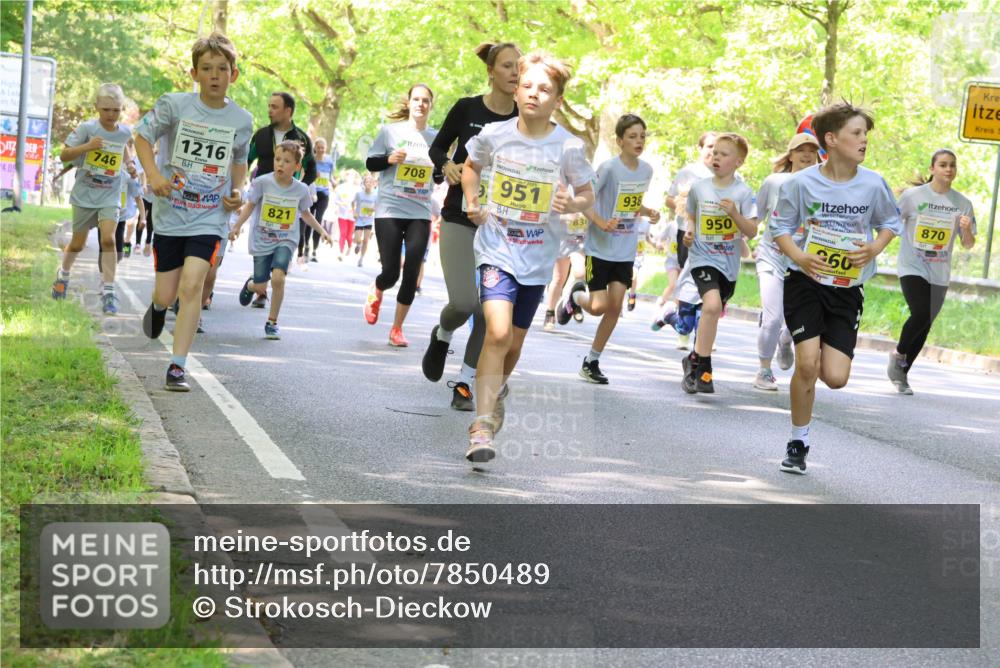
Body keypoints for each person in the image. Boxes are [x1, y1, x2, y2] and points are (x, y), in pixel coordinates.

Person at [462, 52, 595, 463]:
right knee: (497, 333)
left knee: (515, 342)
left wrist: (570, 202)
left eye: (546, 89)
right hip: (497, 248)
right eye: (528, 85)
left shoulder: (568, 147)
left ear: (557, 100)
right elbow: (470, 166)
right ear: (516, 90)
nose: (535, 94)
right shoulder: (494, 134)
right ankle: (481, 426)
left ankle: (496, 388)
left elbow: (588, 195)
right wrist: (472, 199)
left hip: (538, 259)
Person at [771, 102, 901, 474]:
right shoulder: (801, 182)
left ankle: (797, 340)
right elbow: (778, 227)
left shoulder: (873, 183)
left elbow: (890, 222)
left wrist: (875, 247)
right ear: (832, 138)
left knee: (836, 378)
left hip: (847, 287)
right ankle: (798, 440)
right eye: (857, 133)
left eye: (865, 135)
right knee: (807, 364)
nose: (864, 141)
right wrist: (800, 257)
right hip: (805, 280)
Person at [135, 32, 254, 391]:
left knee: (192, 286)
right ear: (194, 73)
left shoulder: (242, 119)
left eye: (222, 68)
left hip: (210, 216)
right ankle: (157, 308)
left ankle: (177, 365)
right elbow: (141, 137)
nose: (215, 75)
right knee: (167, 293)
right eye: (207, 68)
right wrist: (154, 174)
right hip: (171, 212)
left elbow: (239, 161)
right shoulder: (174, 105)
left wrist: (237, 191)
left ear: (233, 75)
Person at [420, 42, 521, 411]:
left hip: (500, 228)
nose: (515, 73)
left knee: (489, 312)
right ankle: (443, 333)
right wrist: (446, 165)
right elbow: (438, 148)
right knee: (464, 303)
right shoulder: (467, 108)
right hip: (459, 218)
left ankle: (463, 382)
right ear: (491, 71)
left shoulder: (523, 119)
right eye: (508, 66)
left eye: (519, 67)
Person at [557, 113, 659, 384]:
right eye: (632, 136)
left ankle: (592, 361)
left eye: (642, 136)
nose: (639, 141)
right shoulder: (609, 168)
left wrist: (648, 211)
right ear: (620, 141)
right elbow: (585, 199)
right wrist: (601, 222)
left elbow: (630, 203)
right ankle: (574, 298)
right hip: (599, 248)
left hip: (625, 250)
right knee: (599, 306)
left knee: (615, 307)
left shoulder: (647, 170)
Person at [888, 149, 976, 394]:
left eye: (952, 166)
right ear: (932, 169)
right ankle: (898, 354)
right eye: (943, 165)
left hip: (940, 270)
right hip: (912, 265)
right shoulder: (912, 196)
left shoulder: (962, 204)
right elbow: (892, 223)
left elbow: (968, 244)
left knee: (925, 323)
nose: (948, 170)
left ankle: (902, 374)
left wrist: (966, 229)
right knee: (921, 312)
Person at [680, 132, 758, 394]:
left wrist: (734, 213)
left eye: (724, 154)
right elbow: (691, 213)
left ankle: (693, 359)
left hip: (728, 263)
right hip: (702, 257)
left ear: (739, 162)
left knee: (712, 312)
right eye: (714, 153)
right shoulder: (700, 188)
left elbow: (752, 230)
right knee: (711, 305)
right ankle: (704, 367)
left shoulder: (744, 192)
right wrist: (690, 231)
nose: (716, 157)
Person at [231, 141, 333, 339]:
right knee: (262, 286)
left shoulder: (301, 190)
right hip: (262, 238)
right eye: (278, 159)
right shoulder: (262, 182)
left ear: (296, 166)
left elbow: (306, 214)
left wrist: (322, 232)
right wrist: (236, 226)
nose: (280, 164)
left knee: (278, 278)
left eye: (286, 161)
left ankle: (272, 322)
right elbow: (250, 206)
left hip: (286, 239)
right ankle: (252, 285)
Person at [363, 83, 439, 347]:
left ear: (431, 105)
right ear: (409, 103)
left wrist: (437, 169)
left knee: (413, 267)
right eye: (416, 99)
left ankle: (397, 328)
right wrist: (389, 160)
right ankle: (378, 287)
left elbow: (439, 174)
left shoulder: (436, 138)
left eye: (425, 100)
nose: (420, 104)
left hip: (419, 210)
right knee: (392, 272)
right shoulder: (390, 132)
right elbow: (371, 162)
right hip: (390, 209)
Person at [51, 83, 134, 315]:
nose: (111, 115)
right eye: (106, 109)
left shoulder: (125, 132)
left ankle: (108, 290)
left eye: (116, 110)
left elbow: (123, 147)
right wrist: (88, 146)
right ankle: (63, 275)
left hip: (110, 193)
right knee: (77, 243)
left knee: (108, 240)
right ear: (97, 107)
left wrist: (129, 164)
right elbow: (64, 154)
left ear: (122, 109)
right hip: (85, 194)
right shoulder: (87, 129)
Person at [752, 133, 821, 391]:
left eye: (811, 151)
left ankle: (785, 339)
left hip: (803, 262)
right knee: (772, 316)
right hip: (772, 256)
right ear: (790, 155)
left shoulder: (822, 186)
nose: (806, 155)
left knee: (796, 320)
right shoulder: (773, 182)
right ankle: (764, 371)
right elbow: (755, 217)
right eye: (800, 150)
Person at [247, 91, 316, 304]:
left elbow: (311, 169)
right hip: (263, 198)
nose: (270, 110)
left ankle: (262, 290)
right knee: (263, 239)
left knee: (281, 245)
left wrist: (296, 191)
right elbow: (246, 161)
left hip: (286, 202)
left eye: (274, 107)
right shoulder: (260, 135)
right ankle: (259, 285)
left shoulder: (302, 138)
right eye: (269, 106)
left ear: (288, 111)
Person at [665, 132, 717, 269]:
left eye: (717, 147)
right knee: (687, 276)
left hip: (715, 233)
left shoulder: (726, 173)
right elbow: (669, 199)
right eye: (709, 146)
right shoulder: (688, 172)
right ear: (700, 149)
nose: (713, 150)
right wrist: (685, 205)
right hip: (688, 232)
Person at [542, 213, 587, 331]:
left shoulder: (591, 195)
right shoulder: (563, 195)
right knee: (558, 278)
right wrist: (566, 217)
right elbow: (549, 215)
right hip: (562, 239)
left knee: (580, 273)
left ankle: (571, 300)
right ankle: (550, 312)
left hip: (580, 241)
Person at [306, 137, 334, 262]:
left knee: (318, 219)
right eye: (318, 147)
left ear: (325, 148)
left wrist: (333, 182)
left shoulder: (329, 161)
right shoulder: (311, 160)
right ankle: (306, 245)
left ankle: (314, 250)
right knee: (309, 219)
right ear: (315, 148)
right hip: (311, 193)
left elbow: (331, 176)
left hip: (324, 194)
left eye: (323, 148)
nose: (321, 150)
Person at [352, 174, 377, 266]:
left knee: (366, 240)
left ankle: (361, 259)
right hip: (359, 219)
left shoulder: (375, 195)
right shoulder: (359, 194)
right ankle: (358, 245)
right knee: (358, 239)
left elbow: (377, 205)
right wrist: (354, 212)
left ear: (374, 184)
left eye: (371, 182)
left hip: (369, 220)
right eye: (367, 181)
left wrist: (373, 209)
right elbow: (352, 203)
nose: (369, 183)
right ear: (364, 183)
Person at [333, 170, 359, 261]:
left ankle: (350, 246)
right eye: (349, 176)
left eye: (352, 176)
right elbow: (335, 200)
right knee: (343, 233)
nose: (350, 178)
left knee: (349, 235)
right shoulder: (340, 187)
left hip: (352, 215)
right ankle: (340, 252)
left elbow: (360, 202)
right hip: (342, 214)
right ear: (346, 176)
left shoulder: (358, 189)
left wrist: (355, 208)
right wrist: (341, 204)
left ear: (355, 177)